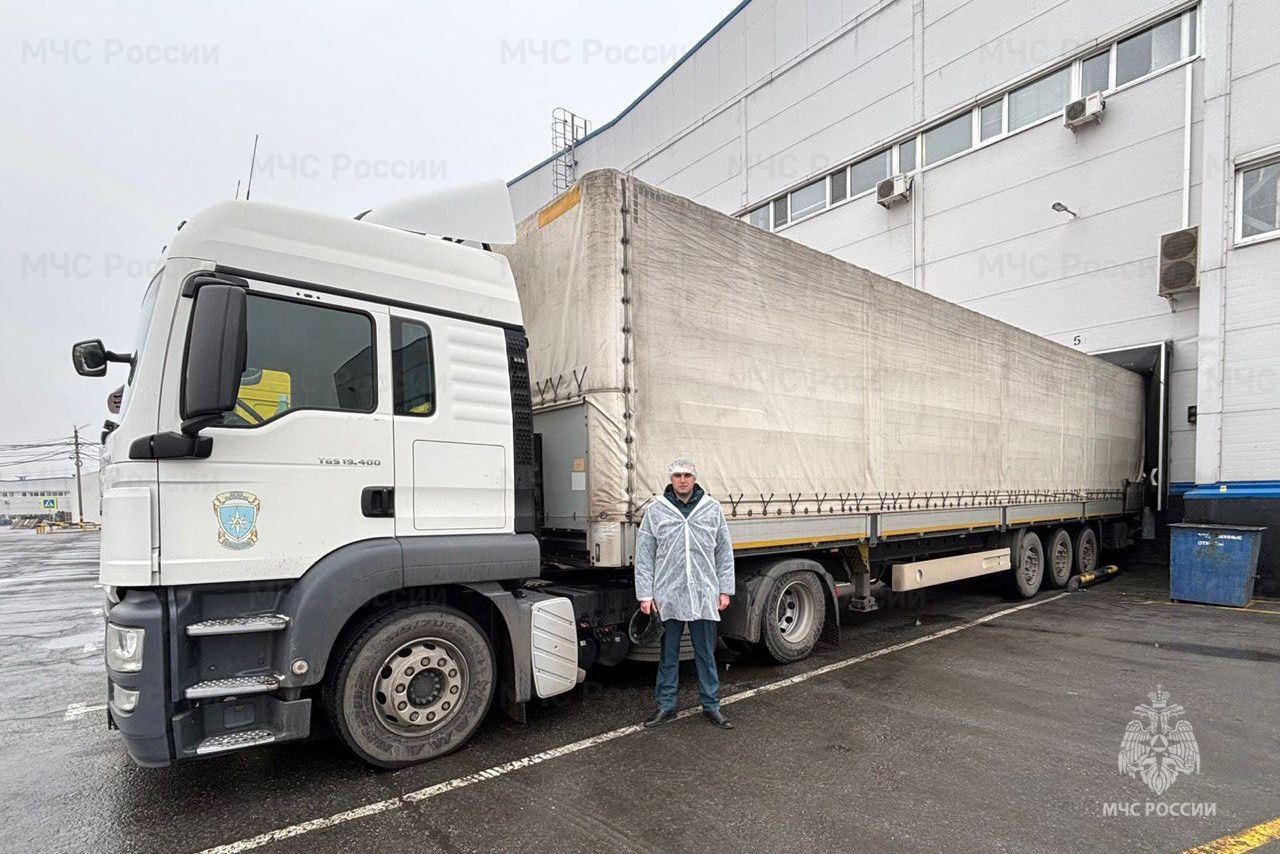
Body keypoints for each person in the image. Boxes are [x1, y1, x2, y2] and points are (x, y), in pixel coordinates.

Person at [634, 458, 736, 730]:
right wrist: (645, 595)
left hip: (704, 592)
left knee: (705, 652)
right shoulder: (657, 510)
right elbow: (645, 556)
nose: (682, 480)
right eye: (677, 475)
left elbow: (724, 551)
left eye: (687, 475)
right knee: (669, 654)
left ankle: (712, 705)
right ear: (671, 479)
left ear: (694, 478)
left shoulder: (711, 509)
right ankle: (665, 706)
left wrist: (725, 589)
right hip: (668, 593)